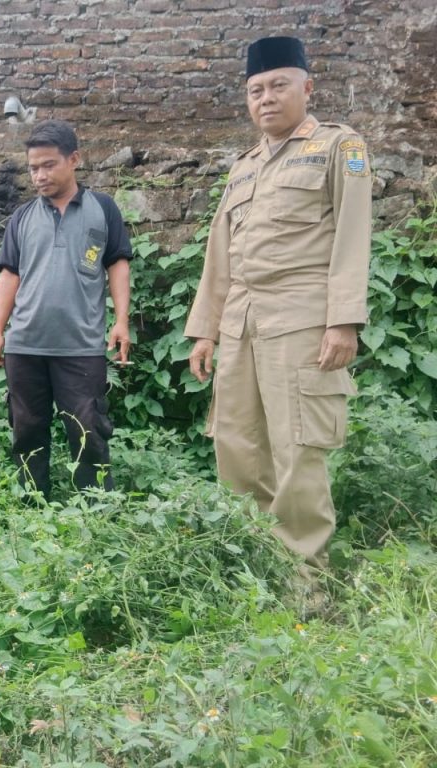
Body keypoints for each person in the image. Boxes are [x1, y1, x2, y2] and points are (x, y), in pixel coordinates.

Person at [185, 36, 371, 572]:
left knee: (296, 450)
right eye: (255, 90)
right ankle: (258, 568)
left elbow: (353, 237)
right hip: (242, 324)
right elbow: (220, 254)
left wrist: (343, 320)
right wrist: (206, 329)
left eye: (278, 86)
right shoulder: (244, 167)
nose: (266, 98)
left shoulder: (339, 147)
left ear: (307, 88)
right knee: (236, 446)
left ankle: (306, 578)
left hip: (301, 322)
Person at [0, 120, 133, 498]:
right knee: (27, 429)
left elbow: (117, 264)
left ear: (74, 159)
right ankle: (34, 501)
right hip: (25, 346)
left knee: (88, 430)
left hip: (80, 347)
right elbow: (9, 276)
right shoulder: (23, 218)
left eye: (49, 165)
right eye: (33, 167)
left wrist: (121, 321)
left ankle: (96, 505)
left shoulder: (103, 209)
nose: (39, 175)